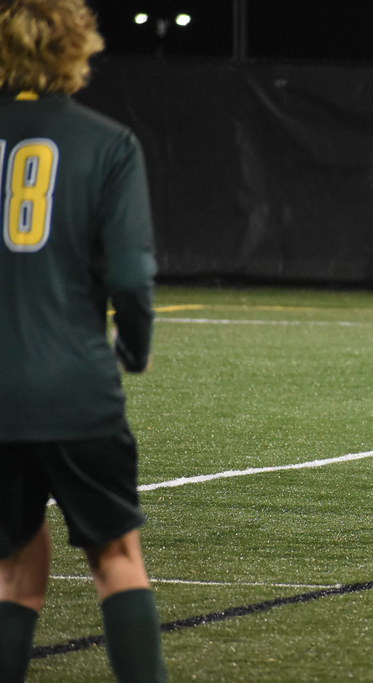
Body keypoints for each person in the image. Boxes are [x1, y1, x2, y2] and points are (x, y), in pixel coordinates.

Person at [0, 0, 167, 680]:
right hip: (75, 389)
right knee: (117, 558)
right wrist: (134, 344)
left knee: (13, 570)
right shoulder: (108, 142)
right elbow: (130, 276)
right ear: (77, 47)